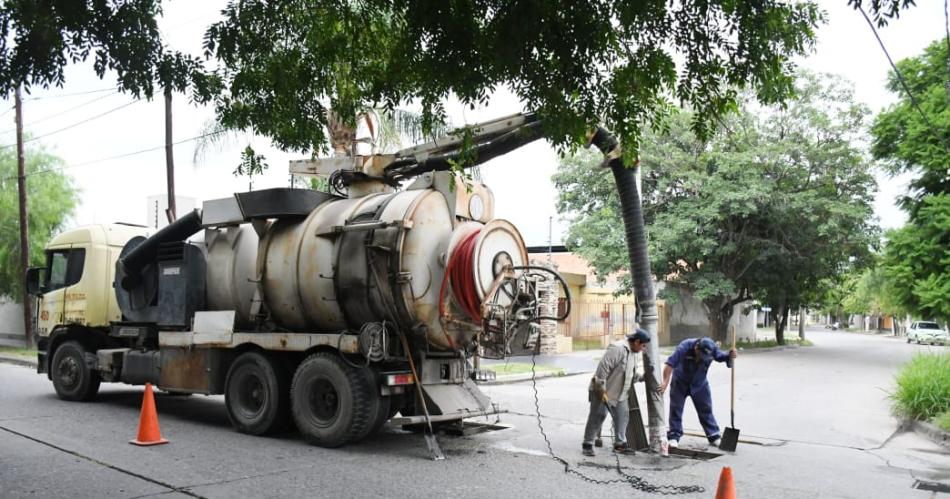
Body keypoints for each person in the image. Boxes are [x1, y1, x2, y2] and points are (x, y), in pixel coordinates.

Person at [658, 337, 737, 448]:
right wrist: (665, 382)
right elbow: (670, 364)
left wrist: (730, 355)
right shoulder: (684, 347)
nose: (702, 358)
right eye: (701, 355)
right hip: (680, 383)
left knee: (706, 409)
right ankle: (674, 436)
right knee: (676, 409)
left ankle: (714, 436)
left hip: (700, 384)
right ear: (696, 348)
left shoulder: (712, 349)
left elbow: (722, 357)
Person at [582, 329, 650, 456]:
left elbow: (631, 374)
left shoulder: (633, 353)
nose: (643, 348)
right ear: (636, 342)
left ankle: (620, 444)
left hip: (620, 393)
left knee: (622, 416)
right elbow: (602, 369)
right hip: (604, 390)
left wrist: (642, 378)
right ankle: (588, 444)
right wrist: (601, 390)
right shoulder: (617, 348)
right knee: (598, 416)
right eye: (643, 345)